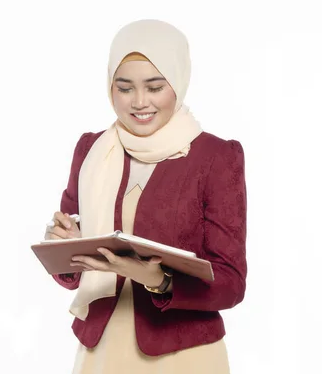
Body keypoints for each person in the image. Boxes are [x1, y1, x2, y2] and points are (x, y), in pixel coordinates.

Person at [44, 19, 247, 373]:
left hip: (183, 354)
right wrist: (66, 245)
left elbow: (231, 283)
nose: (139, 103)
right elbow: (72, 273)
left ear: (178, 82)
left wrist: (157, 278)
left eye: (154, 87)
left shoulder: (215, 157)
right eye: (125, 88)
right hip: (100, 350)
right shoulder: (92, 150)